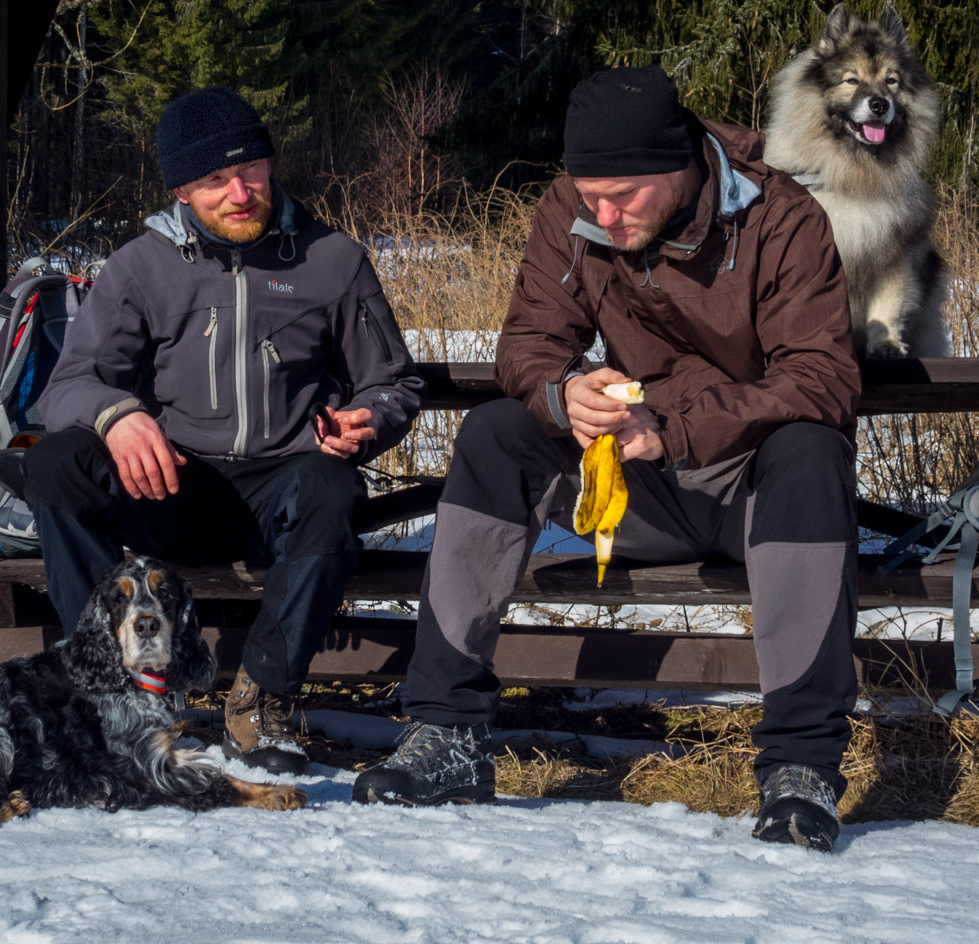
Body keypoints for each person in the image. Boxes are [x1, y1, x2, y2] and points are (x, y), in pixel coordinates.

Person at [353, 66, 863, 851]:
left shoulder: (780, 218)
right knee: (496, 433)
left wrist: (677, 427)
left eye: (621, 198)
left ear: (682, 167)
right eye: (589, 195)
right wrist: (564, 394)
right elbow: (527, 345)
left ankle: (800, 768)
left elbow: (821, 377)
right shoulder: (574, 207)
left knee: (810, 449)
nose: (601, 214)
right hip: (634, 492)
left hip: (752, 489)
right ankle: (446, 732)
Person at [23, 86, 424, 774]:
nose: (240, 191)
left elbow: (395, 383)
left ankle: (264, 701)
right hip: (170, 486)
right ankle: (112, 687)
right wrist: (118, 418)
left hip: (285, 494)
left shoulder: (332, 260)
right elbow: (70, 386)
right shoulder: (138, 268)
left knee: (333, 490)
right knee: (57, 463)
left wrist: (367, 421)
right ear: (181, 188)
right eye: (214, 179)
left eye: (252, 170)